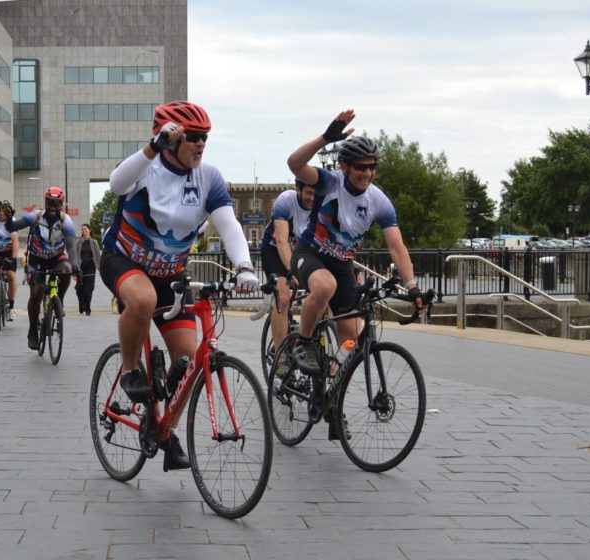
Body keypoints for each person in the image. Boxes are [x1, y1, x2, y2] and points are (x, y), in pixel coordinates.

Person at [100, 100, 259, 471]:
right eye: (193, 138)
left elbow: (229, 223)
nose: (201, 145)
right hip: (124, 259)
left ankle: (163, 433)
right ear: (171, 140)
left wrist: (245, 267)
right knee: (141, 298)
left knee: (188, 363)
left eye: (206, 138)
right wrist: (153, 147)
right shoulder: (147, 168)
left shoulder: (209, 178)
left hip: (170, 272)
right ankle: (129, 370)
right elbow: (116, 183)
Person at [286, 110, 427, 437]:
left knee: (353, 340)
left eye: (372, 166)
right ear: (345, 167)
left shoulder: (379, 201)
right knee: (325, 285)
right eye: (361, 166)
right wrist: (326, 138)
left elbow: (397, 247)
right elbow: (294, 164)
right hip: (310, 254)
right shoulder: (329, 183)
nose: (368, 172)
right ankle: (303, 343)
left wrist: (413, 286)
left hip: (342, 264)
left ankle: (331, 402)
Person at [5, 187, 79, 350]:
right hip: (37, 258)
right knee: (37, 292)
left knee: (66, 269)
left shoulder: (66, 222)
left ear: (61, 205)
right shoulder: (35, 216)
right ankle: (32, 330)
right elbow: (12, 228)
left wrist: (74, 266)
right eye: (49, 203)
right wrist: (9, 218)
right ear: (45, 203)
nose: (52, 207)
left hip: (56, 257)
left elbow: (71, 247)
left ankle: (59, 301)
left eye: (56, 204)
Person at [260, 179, 313, 358]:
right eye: (308, 193)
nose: (312, 198)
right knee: (283, 299)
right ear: (298, 189)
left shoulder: (323, 204)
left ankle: (310, 341)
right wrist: (291, 272)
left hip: (300, 251)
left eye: (316, 194)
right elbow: (282, 242)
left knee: (322, 291)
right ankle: (280, 357)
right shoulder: (286, 201)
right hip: (274, 250)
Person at [74, 223, 100, 315]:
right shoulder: (78, 242)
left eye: (85, 229)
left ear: (89, 230)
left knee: (89, 288)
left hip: (91, 267)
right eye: (82, 229)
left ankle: (87, 308)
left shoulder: (94, 242)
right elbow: (75, 255)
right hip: (80, 267)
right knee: (79, 289)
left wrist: (99, 268)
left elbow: (97, 256)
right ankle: (81, 304)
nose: (84, 231)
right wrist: (74, 268)